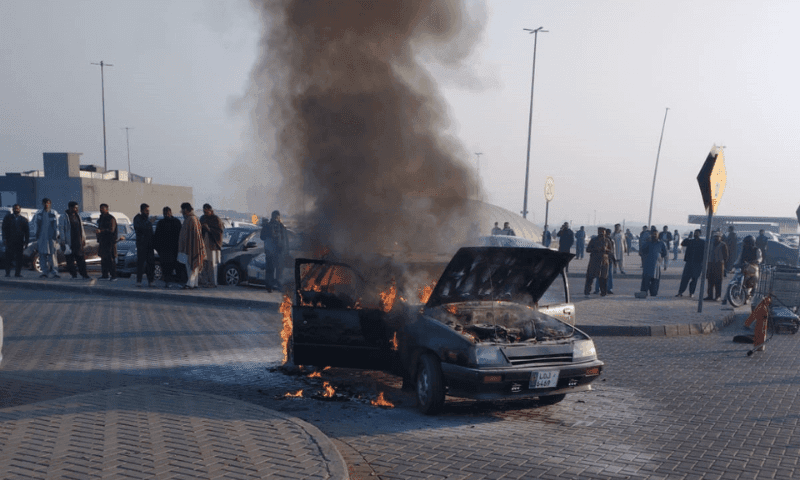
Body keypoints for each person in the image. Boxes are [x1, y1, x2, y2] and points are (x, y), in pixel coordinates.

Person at [58, 201, 90, 280]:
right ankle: (74, 275)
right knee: (70, 260)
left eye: (77, 208)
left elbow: (81, 228)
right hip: (69, 242)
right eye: (75, 208)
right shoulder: (64, 217)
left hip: (78, 242)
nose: (76, 209)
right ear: (70, 208)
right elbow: (61, 229)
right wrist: (63, 241)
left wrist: (83, 238)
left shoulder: (78, 216)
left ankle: (84, 275)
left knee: (81, 260)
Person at [154, 206, 182, 288]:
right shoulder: (162, 223)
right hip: (166, 249)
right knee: (166, 267)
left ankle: (171, 281)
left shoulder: (175, 222)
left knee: (172, 266)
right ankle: (167, 281)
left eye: (167, 213)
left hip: (172, 249)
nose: (166, 215)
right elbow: (157, 237)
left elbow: (179, 236)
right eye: (165, 213)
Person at [261, 210, 289, 291]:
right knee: (279, 270)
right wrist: (287, 251)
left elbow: (262, 237)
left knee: (270, 269)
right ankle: (279, 286)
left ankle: (269, 287)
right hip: (280, 252)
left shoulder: (267, 226)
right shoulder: (281, 226)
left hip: (269, 252)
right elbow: (286, 240)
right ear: (278, 217)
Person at [178, 202, 205, 289]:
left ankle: (190, 284)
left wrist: (196, 247)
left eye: (182, 210)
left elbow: (196, 235)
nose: (182, 212)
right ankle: (194, 284)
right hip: (189, 247)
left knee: (193, 267)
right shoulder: (191, 219)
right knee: (191, 266)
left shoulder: (192, 219)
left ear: (185, 210)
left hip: (193, 247)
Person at [33, 198, 60, 278]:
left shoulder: (54, 213)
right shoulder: (39, 213)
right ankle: (44, 272)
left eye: (48, 203)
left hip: (51, 237)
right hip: (41, 237)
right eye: (45, 203)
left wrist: (57, 236)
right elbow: (35, 225)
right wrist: (36, 235)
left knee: (52, 255)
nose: (46, 205)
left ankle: (55, 272)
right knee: (42, 255)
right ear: (42, 204)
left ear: (50, 204)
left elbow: (57, 225)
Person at [199, 203, 224, 287]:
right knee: (204, 264)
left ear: (210, 211)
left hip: (212, 245)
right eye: (204, 212)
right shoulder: (202, 218)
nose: (205, 213)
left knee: (212, 265)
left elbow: (219, 231)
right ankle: (204, 281)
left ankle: (213, 282)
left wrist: (209, 229)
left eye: (206, 212)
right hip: (203, 244)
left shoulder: (216, 219)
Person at [676, 229, 705, 298]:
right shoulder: (690, 241)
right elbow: (682, 243)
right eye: (695, 233)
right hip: (689, 263)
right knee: (685, 278)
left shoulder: (702, 242)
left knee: (694, 279)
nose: (696, 234)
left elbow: (705, 252)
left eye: (697, 233)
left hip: (697, 264)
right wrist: (689, 237)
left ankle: (691, 293)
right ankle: (680, 292)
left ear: (700, 234)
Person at [3, 204, 30, 277]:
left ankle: (17, 273)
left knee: (19, 258)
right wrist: (4, 239)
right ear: (13, 209)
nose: (16, 210)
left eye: (17, 209)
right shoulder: (8, 218)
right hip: (9, 241)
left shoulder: (23, 219)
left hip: (19, 242)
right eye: (15, 209)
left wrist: (26, 242)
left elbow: (27, 232)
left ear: (20, 209)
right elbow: (4, 229)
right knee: (8, 258)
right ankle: (7, 273)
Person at [584, 227, 612, 297]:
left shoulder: (607, 241)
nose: (601, 233)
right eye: (600, 232)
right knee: (590, 277)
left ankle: (603, 292)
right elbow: (588, 249)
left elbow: (611, 251)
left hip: (604, 262)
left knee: (603, 278)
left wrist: (605, 250)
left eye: (603, 232)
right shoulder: (593, 240)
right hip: (594, 261)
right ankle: (587, 292)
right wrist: (596, 249)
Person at [736, 235, 763, 304]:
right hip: (744, 267)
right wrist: (735, 264)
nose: (746, 244)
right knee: (735, 278)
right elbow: (739, 258)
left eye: (747, 243)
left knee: (754, 279)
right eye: (745, 243)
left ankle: (752, 292)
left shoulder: (757, 250)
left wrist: (757, 261)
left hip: (753, 267)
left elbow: (760, 258)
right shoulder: (743, 250)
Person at [640, 230, 667, 297]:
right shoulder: (647, 243)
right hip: (647, 266)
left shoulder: (661, 243)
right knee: (646, 280)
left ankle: (653, 293)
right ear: (650, 235)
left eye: (655, 234)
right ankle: (644, 292)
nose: (654, 235)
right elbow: (641, 251)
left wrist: (660, 259)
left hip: (656, 266)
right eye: (653, 234)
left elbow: (665, 253)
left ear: (658, 235)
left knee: (655, 281)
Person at [133, 203, 155, 287]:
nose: (147, 212)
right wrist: (149, 223)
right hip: (142, 244)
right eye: (146, 211)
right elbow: (139, 228)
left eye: (148, 211)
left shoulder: (147, 219)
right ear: (142, 210)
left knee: (151, 263)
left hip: (149, 244)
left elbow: (150, 232)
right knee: (141, 263)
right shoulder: (137, 218)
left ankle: (151, 280)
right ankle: (139, 280)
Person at [95, 203, 118, 281]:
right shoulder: (101, 219)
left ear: (107, 209)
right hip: (102, 242)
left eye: (103, 208)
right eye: (100, 208)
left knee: (110, 259)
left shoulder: (111, 218)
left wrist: (101, 231)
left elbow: (111, 230)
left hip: (110, 242)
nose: (101, 210)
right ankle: (105, 275)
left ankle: (113, 276)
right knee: (103, 259)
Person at [704, 233, 729, 301]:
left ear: (720, 238)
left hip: (719, 265)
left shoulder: (723, 244)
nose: (716, 238)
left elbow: (726, 256)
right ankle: (710, 295)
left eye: (718, 237)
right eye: (715, 237)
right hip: (710, 264)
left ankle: (718, 296)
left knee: (718, 281)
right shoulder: (710, 244)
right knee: (710, 281)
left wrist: (723, 264)